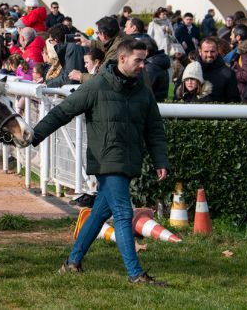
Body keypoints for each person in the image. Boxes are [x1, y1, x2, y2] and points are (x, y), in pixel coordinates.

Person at [31, 40, 169, 286]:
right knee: (124, 213)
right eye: (138, 60)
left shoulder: (143, 90)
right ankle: (135, 274)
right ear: (122, 59)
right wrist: (34, 135)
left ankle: (72, 263)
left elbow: (154, 128)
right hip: (106, 160)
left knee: (99, 214)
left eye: (144, 60)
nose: (142, 65)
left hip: (128, 161)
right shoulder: (96, 85)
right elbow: (63, 112)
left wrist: (161, 160)